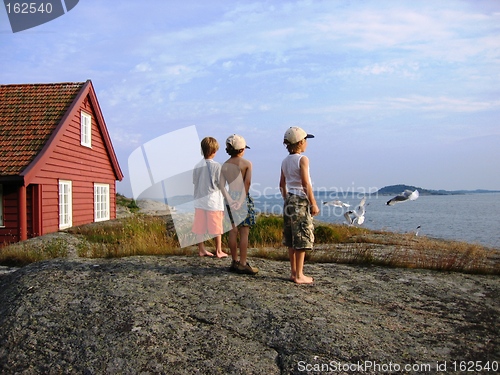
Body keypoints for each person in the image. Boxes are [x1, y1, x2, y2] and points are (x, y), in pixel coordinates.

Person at [279, 126, 319, 284]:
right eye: (306, 140)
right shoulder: (303, 159)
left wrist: (286, 199)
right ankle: (299, 275)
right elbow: (305, 182)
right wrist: (313, 203)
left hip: (289, 199)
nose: (307, 143)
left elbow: (281, 184)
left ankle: (293, 272)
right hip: (300, 200)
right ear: (300, 142)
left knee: (290, 238)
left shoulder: (285, 161)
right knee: (302, 237)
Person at [219, 134, 258, 275]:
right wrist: (241, 201)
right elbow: (247, 184)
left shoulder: (224, 165)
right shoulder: (247, 164)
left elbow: (222, 185)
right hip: (242, 197)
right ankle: (243, 263)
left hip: (230, 198)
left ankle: (234, 261)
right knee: (244, 232)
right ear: (242, 149)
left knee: (232, 230)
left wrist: (229, 199)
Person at [192, 137, 228, 258]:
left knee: (199, 226)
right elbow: (221, 184)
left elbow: (194, 182)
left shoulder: (197, 166)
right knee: (217, 226)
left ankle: (201, 249)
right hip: (213, 202)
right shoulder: (217, 166)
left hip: (199, 200)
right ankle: (218, 250)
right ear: (214, 151)